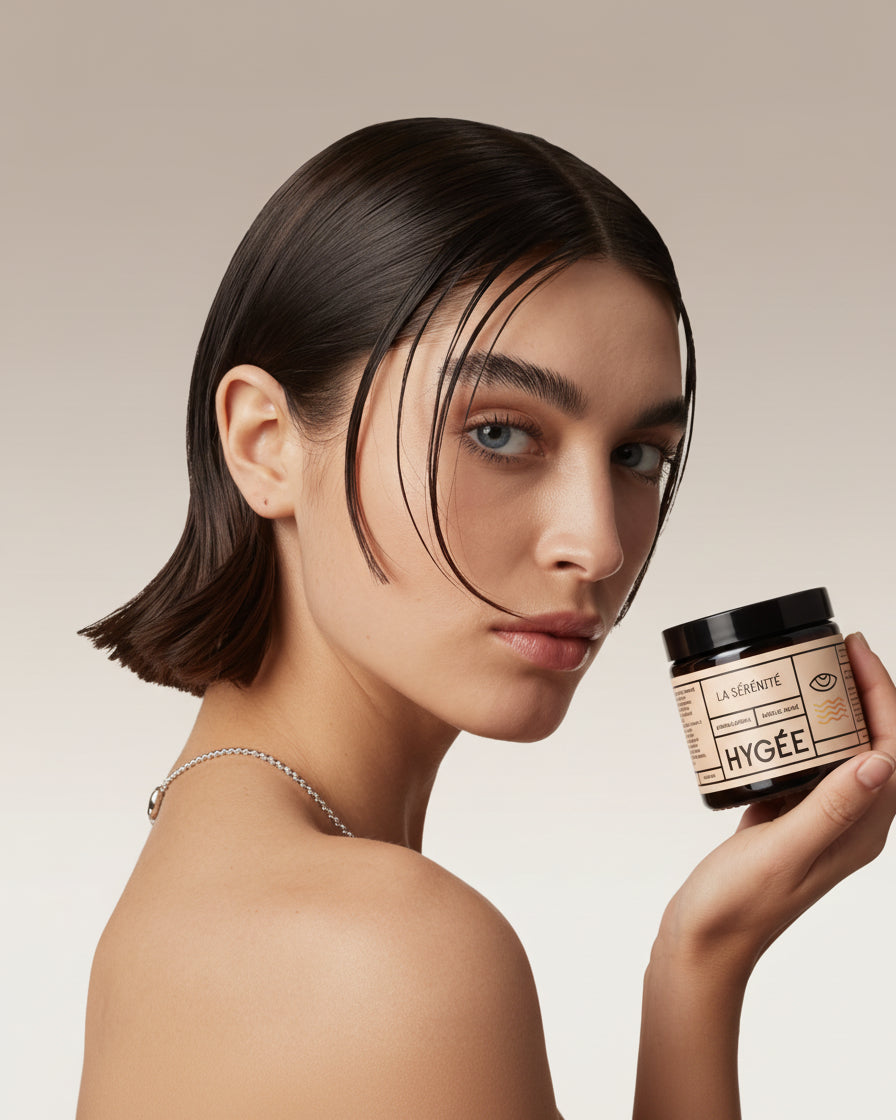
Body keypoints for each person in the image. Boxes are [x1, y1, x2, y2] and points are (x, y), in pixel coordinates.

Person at [75, 118, 896, 1119]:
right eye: (499, 432)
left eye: (637, 453)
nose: (594, 544)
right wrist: (697, 967)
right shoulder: (387, 948)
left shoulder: (210, 880)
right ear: (264, 443)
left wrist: (704, 952)